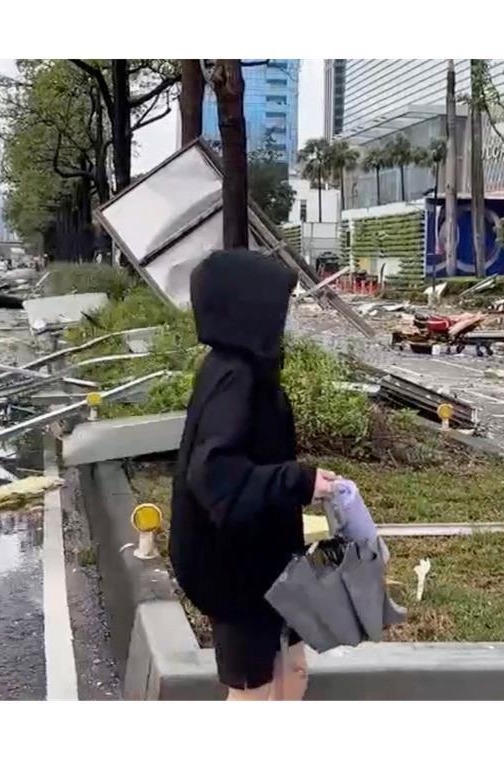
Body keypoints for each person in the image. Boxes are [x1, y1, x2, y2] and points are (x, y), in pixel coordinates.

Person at [169, 248, 337, 701]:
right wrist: (300, 481)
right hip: (234, 564)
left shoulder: (244, 368)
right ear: (251, 308)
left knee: (292, 670)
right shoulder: (234, 377)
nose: (286, 317)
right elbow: (215, 475)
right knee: (253, 692)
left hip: (267, 553)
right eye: (280, 306)